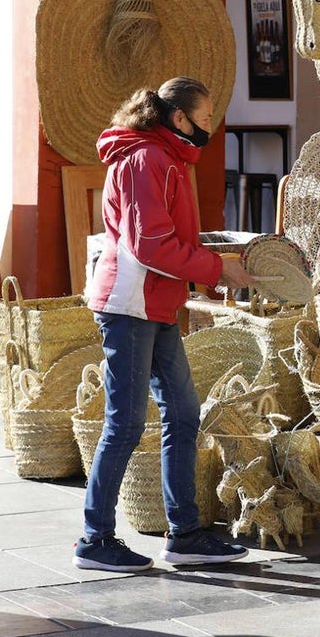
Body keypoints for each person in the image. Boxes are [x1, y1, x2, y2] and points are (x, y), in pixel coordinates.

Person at [74, 76, 253, 572]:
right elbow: (149, 245)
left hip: (157, 306)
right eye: (206, 116)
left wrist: (212, 269)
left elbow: (171, 241)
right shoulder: (146, 160)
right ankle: (95, 538)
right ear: (179, 118)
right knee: (126, 424)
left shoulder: (166, 156)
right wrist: (217, 270)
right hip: (130, 307)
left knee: (182, 413)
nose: (210, 126)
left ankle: (185, 534)